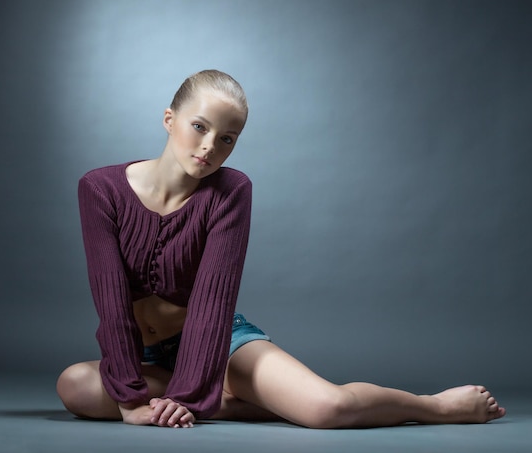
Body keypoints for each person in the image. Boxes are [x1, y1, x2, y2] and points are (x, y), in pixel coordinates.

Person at [56, 69, 506, 429]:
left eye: (228, 137)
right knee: (74, 386)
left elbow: (215, 300)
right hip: (145, 356)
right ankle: (224, 403)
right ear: (169, 119)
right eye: (199, 126)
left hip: (219, 341)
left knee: (329, 409)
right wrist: (132, 399)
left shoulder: (232, 191)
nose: (210, 146)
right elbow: (111, 300)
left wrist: (184, 397)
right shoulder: (100, 189)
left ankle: (434, 406)